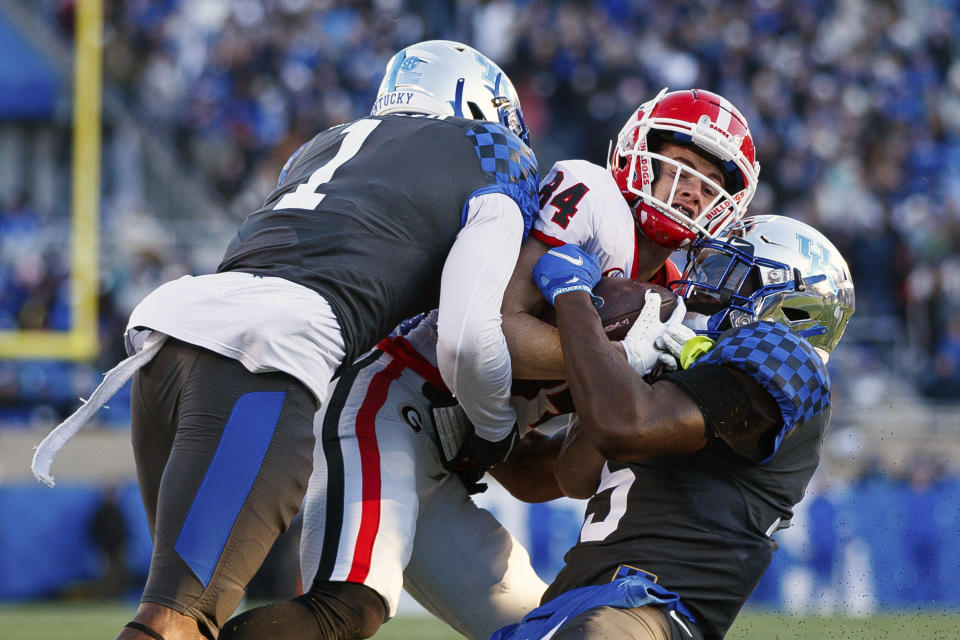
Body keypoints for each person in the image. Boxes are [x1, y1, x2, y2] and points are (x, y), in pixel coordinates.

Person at [32, 40, 538, 640]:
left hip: (170, 335)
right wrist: (493, 429)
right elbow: (468, 339)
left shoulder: (323, 146)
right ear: (480, 104)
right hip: (262, 356)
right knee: (177, 621)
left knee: (185, 610)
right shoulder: (493, 151)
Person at [271, 88, 759, 640]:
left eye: (710, 184)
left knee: (547, 632)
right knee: (344, 612)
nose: (692, 192)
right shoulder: (595, 199)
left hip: (446, 459)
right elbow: (496, 326)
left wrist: (631, 394)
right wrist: (618, 357)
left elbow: (550, 476)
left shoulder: (672, 302)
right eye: (683, 167)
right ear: (636, 156)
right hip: (393, 397)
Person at [493, 214, 855, 640]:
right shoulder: (680, 373)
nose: (702, 286)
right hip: (573, 604)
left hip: (646, 610)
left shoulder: (788, 360)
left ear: (791, 305)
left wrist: (575, 300)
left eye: (731, 274)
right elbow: (567, 475)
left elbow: (623, 427)